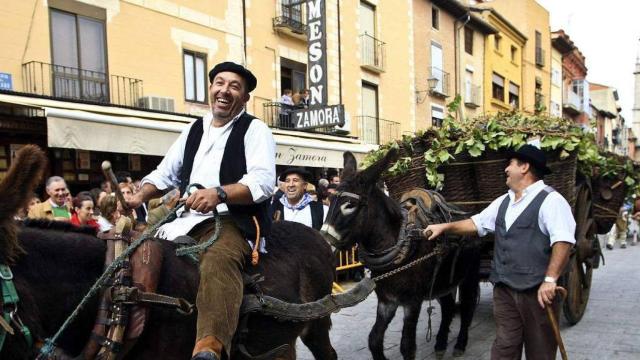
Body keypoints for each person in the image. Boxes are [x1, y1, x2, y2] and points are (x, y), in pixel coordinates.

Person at [126, 61, 275, 360]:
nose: (225, 90)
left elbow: (263, 182)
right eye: (219, 83)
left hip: (231, 220)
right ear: (210, 88)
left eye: (235, 86)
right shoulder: (193, 128)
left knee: (219, 260)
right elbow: (165, 173)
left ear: (244, 98)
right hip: (180, 221)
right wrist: (138, 195)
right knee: (131, 251)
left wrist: (219, 194)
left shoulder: (255, 129)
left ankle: (209, 347)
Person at [423, 145, 575, 360]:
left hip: (536, 292)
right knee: (504, 347)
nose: (505, 169)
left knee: (540, 351)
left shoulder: (551, 200)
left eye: (510, 164)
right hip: (504, 289)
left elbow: (563, 240)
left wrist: (550, 280)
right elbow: (477, 223)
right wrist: (444, 228)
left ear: (524, 167)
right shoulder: (504, 201)